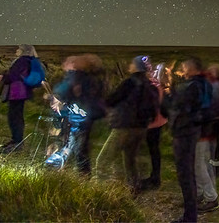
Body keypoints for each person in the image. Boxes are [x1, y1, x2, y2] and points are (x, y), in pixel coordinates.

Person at [96, 55, 156, 191]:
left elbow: (112, 99)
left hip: (125, 126)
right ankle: (134, 189)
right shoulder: (149, 84)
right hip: (141, 128)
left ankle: (99, 192)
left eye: (132, 63)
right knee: (130, 160)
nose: (129, 65)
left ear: (136, 66)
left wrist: (101, 104)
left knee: (102, 160)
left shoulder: (129, 83)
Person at [46, 54, 107, 175]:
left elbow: (63, 90)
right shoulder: (93, 78)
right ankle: (81, 174)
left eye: (69, 61)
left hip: (76, 116)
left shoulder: (76, 76)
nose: (65, 63)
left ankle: (62, 171)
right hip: (85, 116)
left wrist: (56, 98)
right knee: (78, 146)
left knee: (73, 145)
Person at [162, 57, 206, 223]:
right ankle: (190, 213)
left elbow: (174, 106)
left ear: (194, 68)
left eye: (185, 65)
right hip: (189, 132)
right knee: (187, 173)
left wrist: (167, 89)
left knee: (185, 174)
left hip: (185, 134)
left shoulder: (192, 86)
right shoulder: (195, 85)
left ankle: (190, 217)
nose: (181, 67)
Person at [195, 63, 219, 212]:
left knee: (204, 159)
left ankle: (210, 195)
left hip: (212, 122)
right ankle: (203, 193)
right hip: (209, 123)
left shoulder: (218, 85)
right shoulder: (210, 85)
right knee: (203, 160)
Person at [0, 44, 38, 154]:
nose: (17, 51)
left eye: (19, 49)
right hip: (20, 92)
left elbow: (14, 76)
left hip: (17, 92)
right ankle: (16, 141)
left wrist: (3, 77)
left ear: (24, 51)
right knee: (16, 116)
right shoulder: (28, 60)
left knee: (14, 117)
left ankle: (17, 142)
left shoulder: (22, 61)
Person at [140, 62, 170, 191]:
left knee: (152, 150)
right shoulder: (162, 86)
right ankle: (155, 176)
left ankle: (154, 178)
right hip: (159, 121)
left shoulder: (154, 86)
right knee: (154, 149)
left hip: (152, 123)